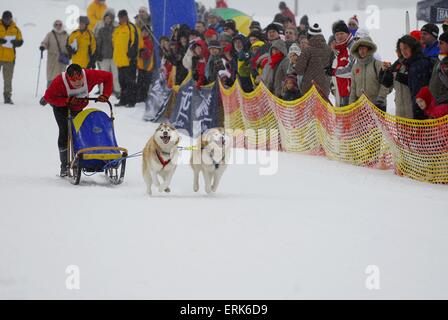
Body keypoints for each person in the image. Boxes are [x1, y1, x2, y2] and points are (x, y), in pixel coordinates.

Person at [41, 64, 113, 177]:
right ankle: (64, 165)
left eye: (80, 79)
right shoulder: (59, 81)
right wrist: (66, 101)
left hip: (78, 105)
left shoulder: (90, 75)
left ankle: (80, 158)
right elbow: (50, 97)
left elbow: (108, 76)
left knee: (78, 131)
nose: (78, 82)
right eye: (74, 80)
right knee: (65, 131)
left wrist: (105, 94)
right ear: (68, 78)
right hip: (61, 105)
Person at [348, 37, 390, 110]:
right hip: (360, 106)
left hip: (377, 106)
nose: (362, 51)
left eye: (364, 48)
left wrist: (380, 100)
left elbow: (385, 85)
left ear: (369, 49)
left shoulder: (377, 64)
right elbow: (353, 88)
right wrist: (351, 104)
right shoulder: (355, 67)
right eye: (360, 49)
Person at [399, 35, 433, 119]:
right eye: (401, 49)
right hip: (419, 105)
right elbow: (414, 83)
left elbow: (421, 86)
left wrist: (418, 107)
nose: (403, 51)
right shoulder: (411, 62)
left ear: (413, 47)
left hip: (423, 106)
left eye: (406, 48)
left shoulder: (419, 63)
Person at [295, 23, 332, 99]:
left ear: (309, 36)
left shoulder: (307, 50)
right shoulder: (329, 50)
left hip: (309, 88)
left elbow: (299, 69)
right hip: (324, 88)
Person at [112, 10, 140, 107]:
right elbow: (114, 43)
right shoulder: (117, 29)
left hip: (129, 61)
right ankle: (123, 100)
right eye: (120, 17)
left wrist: (130, 56)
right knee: (122, 82)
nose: (121, 19)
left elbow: (135, 42)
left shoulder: (131, 27)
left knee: (130, 82)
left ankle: (131, 101)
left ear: (127, 16)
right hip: (119, 61)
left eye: (123, 17)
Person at [380, 39, 413, 118]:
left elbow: (415, 82)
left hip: (412, 106)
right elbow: (387, 83)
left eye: (403, 49)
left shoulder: (414, 62)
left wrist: (399, 76)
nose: (399, 52)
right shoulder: (398, 63)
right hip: (399, 106)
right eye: (399, 49)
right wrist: (384, 71)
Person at [95, 9, 120, 98]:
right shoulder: (101, 30)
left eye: (110, 18)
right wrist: (98, 54)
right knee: (103, 76)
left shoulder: (116, 29)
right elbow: (98, 43)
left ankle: (117, 91)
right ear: (104, 19)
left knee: (115, 75)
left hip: (114, 56)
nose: (108, 20)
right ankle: (103, 92)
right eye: (106, 18)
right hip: (104, 57)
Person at [0, 11, 23, 105]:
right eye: (5, 18)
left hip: (9, 59)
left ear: (11, 18)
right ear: (2, 18)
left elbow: (21, 41)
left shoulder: (16, 29)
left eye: (8, 18)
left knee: (8, 79)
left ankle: (7, 97)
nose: (7, 20)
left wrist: (16, 43)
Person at [330, 20, 355, 107]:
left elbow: (352, 70)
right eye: (337, 34)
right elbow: (333, 70)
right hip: (340, 94)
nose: (339, 36)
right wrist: (333, 87)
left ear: (347, 34)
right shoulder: (338, 50)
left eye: (341, 33)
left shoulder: (352, 47)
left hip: (351, 95)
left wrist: (333, 72)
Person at [40, 21, 69, 88]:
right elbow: (45, 42)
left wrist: (70, 51)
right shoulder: (50, 34)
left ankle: (61, 92)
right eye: (56, 25)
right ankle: (50, 91)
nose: (58, 26)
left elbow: (70, 44)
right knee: (51, 75)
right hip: (52, 59)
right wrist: (43, 46)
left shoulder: (66, 34)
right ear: (54, 25)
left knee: (62, 76)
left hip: (62, 59)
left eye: (60, 24)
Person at [136, 26, 155, 102]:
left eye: (146, 31)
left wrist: (141, 52)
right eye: (143, 31)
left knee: (145, 83)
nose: (144, 33)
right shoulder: (140, 40)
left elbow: (147, 54)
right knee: (140, 82)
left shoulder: (149, 41)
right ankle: (140, 96)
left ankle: (143, 97)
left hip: (147, 66)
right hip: (140, 65)